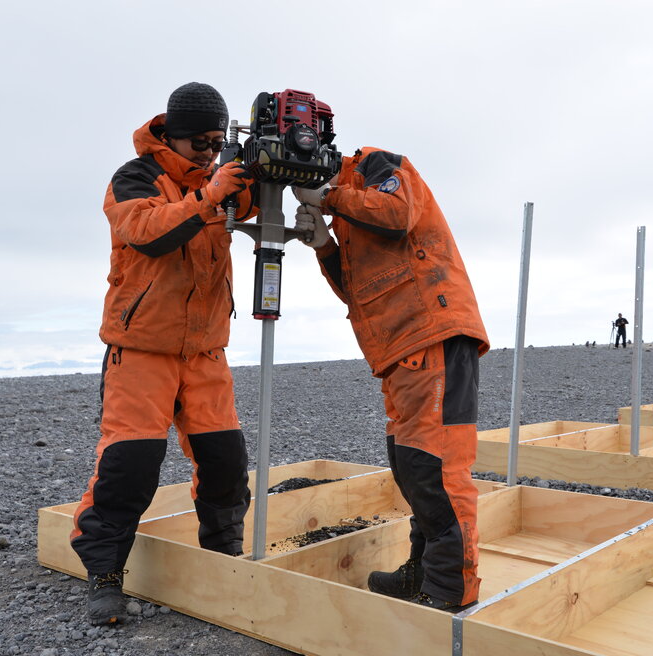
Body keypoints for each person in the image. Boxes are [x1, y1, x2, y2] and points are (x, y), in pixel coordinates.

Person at [69, 82, 258, 627]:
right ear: (171, 134)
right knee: (130, 468)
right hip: (142, 351)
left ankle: (223, 558)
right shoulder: (134, 178)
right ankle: (104, 574)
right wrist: (210, 194)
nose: (209, 150)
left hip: (204, 352)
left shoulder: (219, 181)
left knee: (225, 463)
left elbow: (258, 204)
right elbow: (148, 234)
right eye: (200, 141)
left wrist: (260, 171)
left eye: (217, 141)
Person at [293, 147, 490, 613]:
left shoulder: (375, 167)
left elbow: (399, 213)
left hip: (433, 333)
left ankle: (449, 591)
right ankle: (423, 570)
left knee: (435, 467)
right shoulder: (346, 206)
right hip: (398, 347)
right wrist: (324, 244)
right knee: (409, 464)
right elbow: (359, 293)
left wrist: (329, 197)